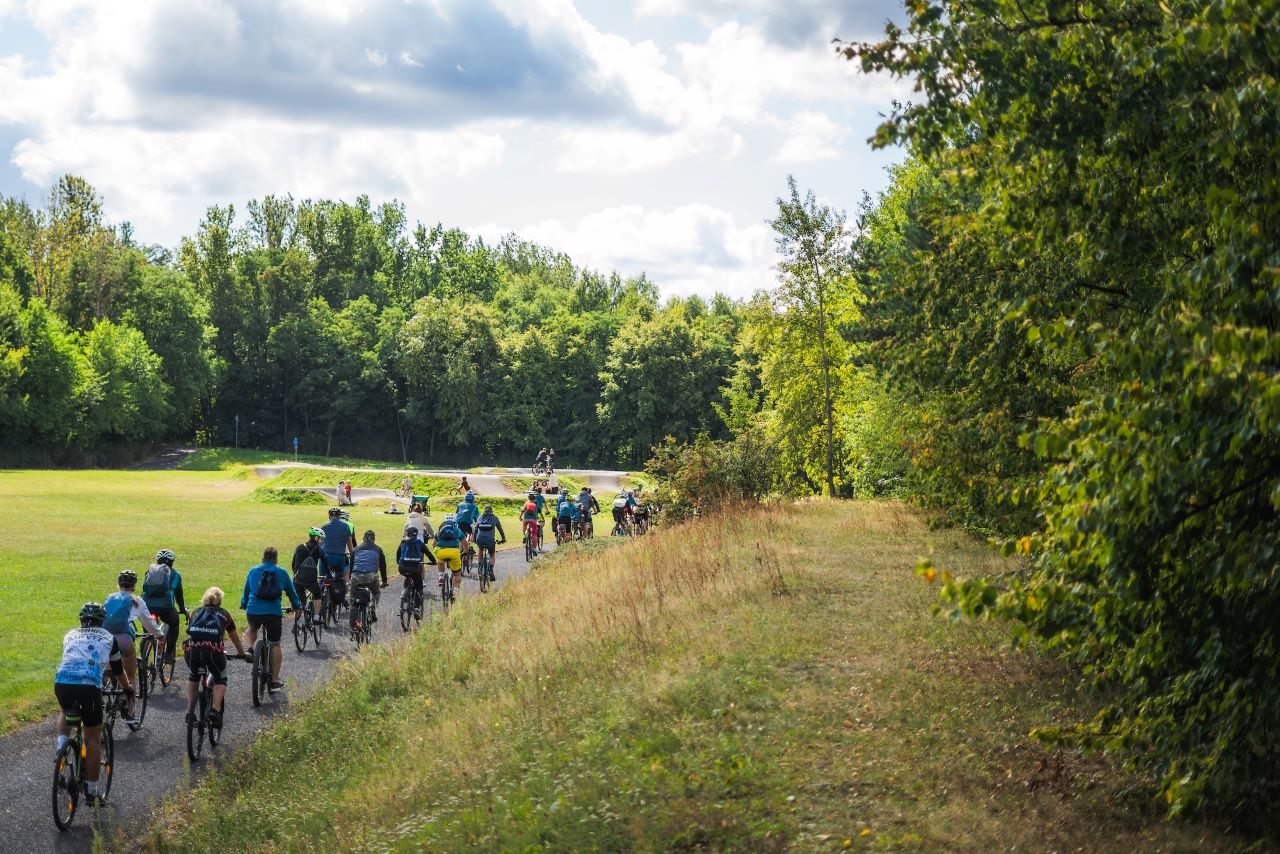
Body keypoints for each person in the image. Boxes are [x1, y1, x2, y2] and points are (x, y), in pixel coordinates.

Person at [53, 603, 126, 805]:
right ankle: (92, 792)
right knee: (92, 739)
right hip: (88, 687)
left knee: (64, 710)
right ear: (102, 621)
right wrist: (128, 688)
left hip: (62, 683)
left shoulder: (69, 635)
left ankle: (61, 748)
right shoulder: (108, 638)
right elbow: (118, 670)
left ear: (81, 620)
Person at [102, 570, 164, 721]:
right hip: (123, 639)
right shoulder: (137, 601)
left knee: (108, 668)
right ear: (134, 585)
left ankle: (103, 694)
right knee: (130, 675)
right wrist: (159, 635)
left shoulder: (110, 598)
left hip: (105, 638)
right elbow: (149, 623)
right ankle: (130, 710)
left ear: (119, 583)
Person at [183, 587, 248, 727]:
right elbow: (235, 638)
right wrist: (241, 653)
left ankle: (190, 712)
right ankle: (214, 710)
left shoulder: (195, 612)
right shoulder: (225, 615)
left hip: (192, 650)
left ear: (205, 598)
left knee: (193, 676)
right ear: (220, 601)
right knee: (220, 679)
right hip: (213, 652)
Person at [240, 547, 301, 691]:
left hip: (253, 610)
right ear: (276, 560)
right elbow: (292, 593)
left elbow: (246, 591)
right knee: (275, 644)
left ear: (262, 559)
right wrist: (296, 605)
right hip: (273, 613)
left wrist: (243, 604)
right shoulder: (281, 572)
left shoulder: (253, 571)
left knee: (252, 628)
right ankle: (273, 682)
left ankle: (250, 648)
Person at [141, 548, 187, 666]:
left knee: (148, 633)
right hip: (165, 608)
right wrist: (182, 609)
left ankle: (144, 657)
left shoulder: (149, 572)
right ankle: (169, 654)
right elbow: (179, 596)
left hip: (147, 607)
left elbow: (144, 590)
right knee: (174, 622)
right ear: (172, 562)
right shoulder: (176, 575)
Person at [291, 528, 330, 627]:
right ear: (316, 538)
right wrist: (329, 576)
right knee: (317, 594)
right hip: (311, 581)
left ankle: (295, 624)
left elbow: (293, 564)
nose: (321, 541)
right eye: (320, 539)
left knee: (300, 601)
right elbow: (326, 565)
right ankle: (316, 618)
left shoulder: (299, 547)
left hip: (297, 580)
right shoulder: (319, 550)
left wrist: (296, 575)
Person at [349, 530, 388, 628]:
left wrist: (351, 577)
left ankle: (352, 628)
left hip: (356, 576)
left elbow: (352, 564)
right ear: (374, 539)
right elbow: (383, 566)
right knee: (376, 593)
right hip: (371, 576)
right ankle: (372, 609)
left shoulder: (356, 549)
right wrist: (384, 581)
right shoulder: (378, 549)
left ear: (363, 539)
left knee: (353, 601)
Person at [321, 506, 356, 609]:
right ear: (339, 516)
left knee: (322, 579)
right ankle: (342, 596)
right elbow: (350, 545)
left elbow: (320, 544)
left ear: (329, 516)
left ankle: (320, 596)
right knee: (342, 577)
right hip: (339, 557)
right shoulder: (346, 526)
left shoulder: (323, 526)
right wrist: (352, 556)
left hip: (325, 557)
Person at [434, 514, 464, 601]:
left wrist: (437, 552)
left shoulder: (440, 530)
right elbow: (464, 543)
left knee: (440, 560)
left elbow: (434, 543)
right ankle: (455, 591)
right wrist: (465, 552)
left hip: (441, 553)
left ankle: (441, 577)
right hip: (454, 553)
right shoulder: (457, 530)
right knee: (457, 573)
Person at [473, 505, 506, 580]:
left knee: (480, 549)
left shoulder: (480, 517)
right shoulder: (494, 518)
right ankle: (491, 570)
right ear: (491, 511)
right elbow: (500, 529)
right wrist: (503, 538)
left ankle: (479, 566)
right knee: (492, 554)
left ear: (484, 510)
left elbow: (475, 530)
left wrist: (475, 539)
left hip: (480, 539)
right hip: (490, 540)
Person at [397, 527, 428, 600]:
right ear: (416, 534)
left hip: (402, 568)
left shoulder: (403, 542)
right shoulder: (419, 543)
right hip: (415, 568)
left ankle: (405, 590)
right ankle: (417, 607)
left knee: (408, 575)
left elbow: (398, 553)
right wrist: (433, 561)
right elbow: (428, 553)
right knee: (419, 586)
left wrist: (398, 562)